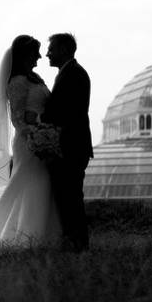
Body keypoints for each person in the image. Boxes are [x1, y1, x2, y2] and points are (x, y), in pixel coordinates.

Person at [0, 35, 62, 249]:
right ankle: (24, 236)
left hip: (42, 136)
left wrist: (47, 130)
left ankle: (44, 234)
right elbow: (17, 118)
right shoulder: (17, 82)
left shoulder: (36, 79)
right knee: (31, 182)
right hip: (28, 142)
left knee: (41, 183)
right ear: (25, 55)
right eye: (35, 52)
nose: (39, 56)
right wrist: (36, 134)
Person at [41, 32, 93, 251]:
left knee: (70, 198)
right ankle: (74, 242)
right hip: (72, 146)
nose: (46, 54)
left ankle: (77, 244)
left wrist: (40, 123)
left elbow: (63, 114)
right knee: (68, 197)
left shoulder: (74, 74)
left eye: (51, 49)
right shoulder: (70, 72)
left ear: (63, 50)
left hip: (70, 147)